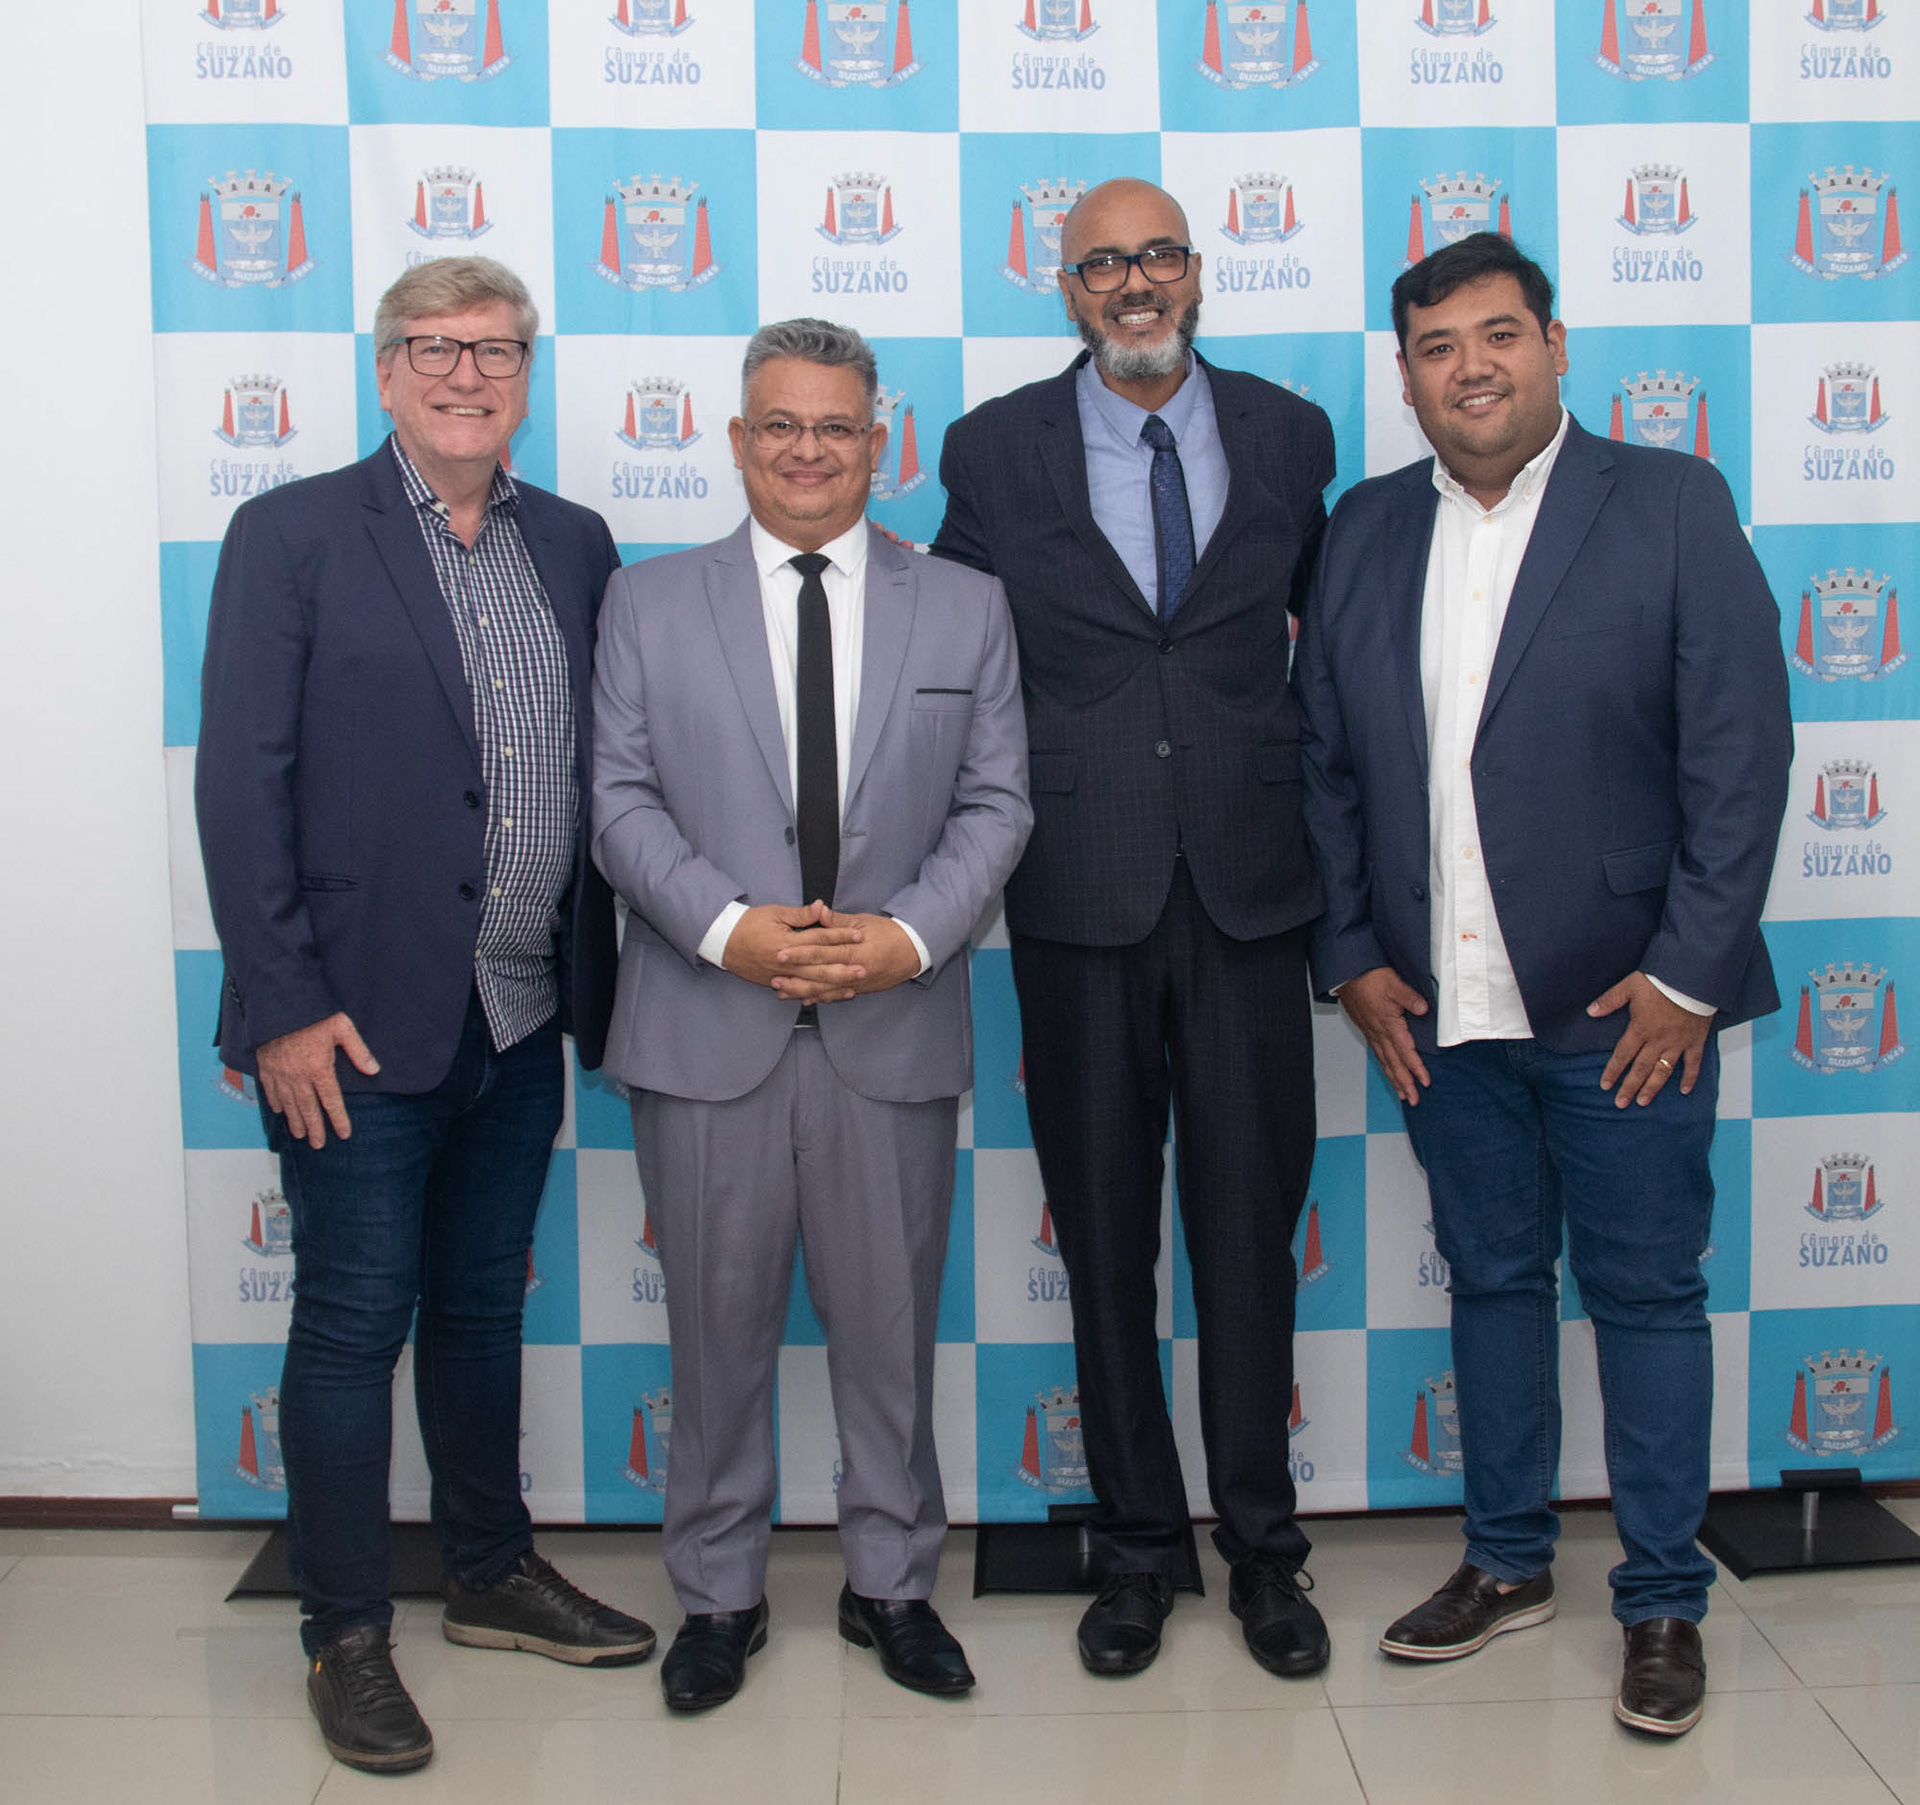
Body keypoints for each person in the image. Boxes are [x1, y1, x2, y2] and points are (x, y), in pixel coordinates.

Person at [1292, 232, 1792, 1737]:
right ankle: (1507, 1559)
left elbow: (1741, 754)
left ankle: (1662, 1598)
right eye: (1437, 347)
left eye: (1499, 334)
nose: (1472, 368)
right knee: (1495, 1280)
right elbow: (1322, 762)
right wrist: (1350, 955)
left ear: (1556, 345)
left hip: (1623, 1007)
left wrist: (1689, 977)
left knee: (1644, 1293)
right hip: (1438, 1007)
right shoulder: (1365, 525)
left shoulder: (1672, 502)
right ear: (1405, 378)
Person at [196, 257, 651, 1775]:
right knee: (350, 1321)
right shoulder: (292, 535)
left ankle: (489, 1569)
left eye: (495, 349)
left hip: (516, 1011)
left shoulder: (574, 542)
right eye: (435, 348)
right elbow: (240, 784)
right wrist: (282, 1005)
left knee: (475, 1310)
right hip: (350, 1028)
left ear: (528, 373)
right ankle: (344, 1630)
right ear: (386, 370)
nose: (467, 373)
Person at [591, 318, 1032, 1713]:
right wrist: (731, 928)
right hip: (702, 1026)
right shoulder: (645, 603)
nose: (807, 451)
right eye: (779, 424)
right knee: (712, 1339)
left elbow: (998, 804)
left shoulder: (965, 605)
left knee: (891, 1336)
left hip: (889, 1031)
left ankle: (891, 1584)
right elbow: (617, 801)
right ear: (736, 440)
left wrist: (906, 939)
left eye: (837, 427)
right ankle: (718, 1595)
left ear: (878, 442)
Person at [931, 179, 1334, 1680]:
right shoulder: (992, 447)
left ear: (1198, 272)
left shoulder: (1293, 434)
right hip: (1075, 893)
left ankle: (1265, 1549)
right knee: (1103, 1237)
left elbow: (1323, 643)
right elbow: (955, 658)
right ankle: (1139, 1549)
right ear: (1068, 289)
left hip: (1251, 891)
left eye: (1157, 254)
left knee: (1248, 1235)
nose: (1133, 282)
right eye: (1102, 263)